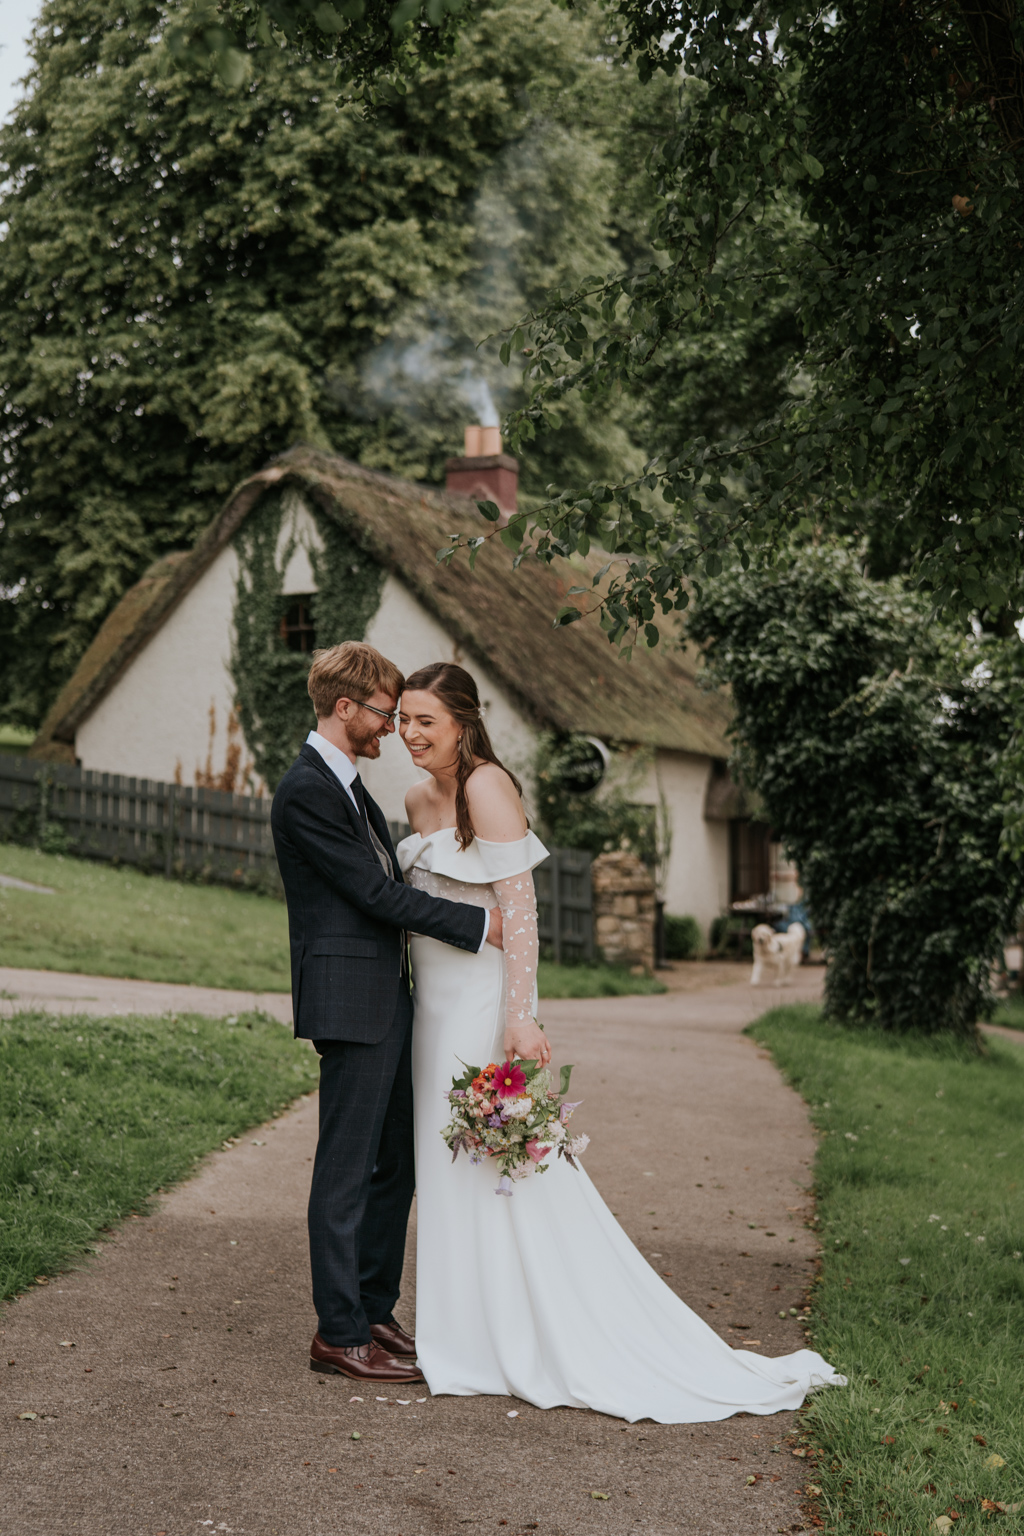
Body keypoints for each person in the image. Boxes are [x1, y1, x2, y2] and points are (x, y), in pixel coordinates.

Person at [397, 661, 846, 1423]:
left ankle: (527, 1331)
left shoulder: (487, 787)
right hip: (431, 1007)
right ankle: (464, 1333)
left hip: (481, 1004)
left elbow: (522, 910)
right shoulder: (413, 798)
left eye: (425, 722)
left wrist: (521, 1016)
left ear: (463, 723)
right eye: (403, 720)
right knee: (446, 1163)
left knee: (497, 1159)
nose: (410, 735)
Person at [271, 642, 505, 1386]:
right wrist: (476, 926)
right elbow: (374, 896)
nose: (393, 728)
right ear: (347, 709)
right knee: (346, 1171)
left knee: (392, 1166)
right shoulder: (308, 789)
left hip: (385, 996)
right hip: (349, 1001)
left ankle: (373, 1308)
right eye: (384, 712)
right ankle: (338, 1334)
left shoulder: (348, 785)